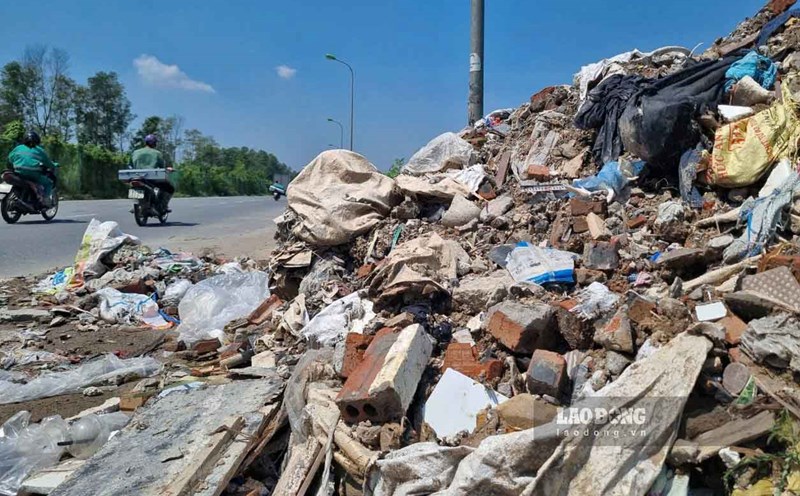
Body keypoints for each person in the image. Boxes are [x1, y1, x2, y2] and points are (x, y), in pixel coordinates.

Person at [7, 131, 56, 208]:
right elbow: (48, 163)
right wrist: (54, 165)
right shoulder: (40, 150)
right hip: (34, 175)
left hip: (18, 173)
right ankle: (45, 201)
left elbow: (9, 158)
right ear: (37, 140)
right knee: (49, 183)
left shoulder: (18, 148)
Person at [129, 134, 174, 211]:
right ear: (154, 143)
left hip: (137, 177)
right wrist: (167, 169)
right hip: (152, 178)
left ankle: (138, 204)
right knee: (169, 188)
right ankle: (162, 207)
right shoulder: (157, 153)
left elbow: (130, 165)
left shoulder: (135, 152)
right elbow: (161, 167)